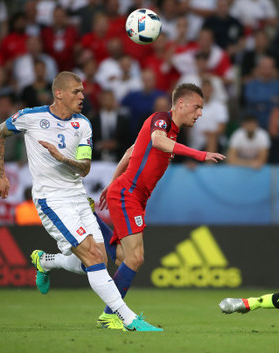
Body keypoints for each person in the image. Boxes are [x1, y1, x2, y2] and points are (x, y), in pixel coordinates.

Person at [0, 71, 159, 332]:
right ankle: (128, 319)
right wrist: (0, 175)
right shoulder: (30, 117)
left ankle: (46, 261)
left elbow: (84, 168)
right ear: (58, 93)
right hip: (51, 200)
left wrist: (62, 158)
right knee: (92, 257)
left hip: (78, 197)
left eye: (82, 91)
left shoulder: (83, 124)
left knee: (99, 260)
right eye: (76, 92)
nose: (82, 96)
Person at [95, 83, 225, 328]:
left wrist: (110, 185)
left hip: (130, 195)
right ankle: (110, 315)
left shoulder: (173, 132)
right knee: (136, 258)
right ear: (181, 104)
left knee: (123, 258)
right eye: (197, 107)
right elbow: (156, 141)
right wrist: (200, 154)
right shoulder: (161, 120)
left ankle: (91, 221)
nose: (200, 113)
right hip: (128, 194)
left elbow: (131, 151)